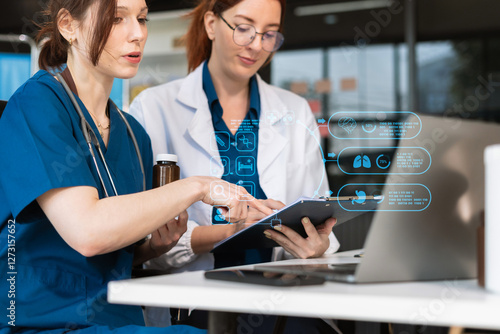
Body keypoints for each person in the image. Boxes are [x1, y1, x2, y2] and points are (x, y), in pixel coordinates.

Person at [0, 0, 272, 332]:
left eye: (142, 19)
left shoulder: (133, 134)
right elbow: (88, 233)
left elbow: (118, 254)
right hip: (42, 321)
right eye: (117, 18)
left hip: (117, 319)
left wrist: (154, 246)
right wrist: (197, 187)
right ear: (69, 26)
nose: (137, 34)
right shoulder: (36, 105)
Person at [129, 0, 340, 330]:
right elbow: (145, 244)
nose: (257, 45)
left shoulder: (295, 111)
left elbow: (320, 216)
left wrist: (318, 243)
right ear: (212, 24)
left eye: (269, 34)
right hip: (196, 304)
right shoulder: (153, 108)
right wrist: (230, 232)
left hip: (283, 298)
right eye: (243, 28)